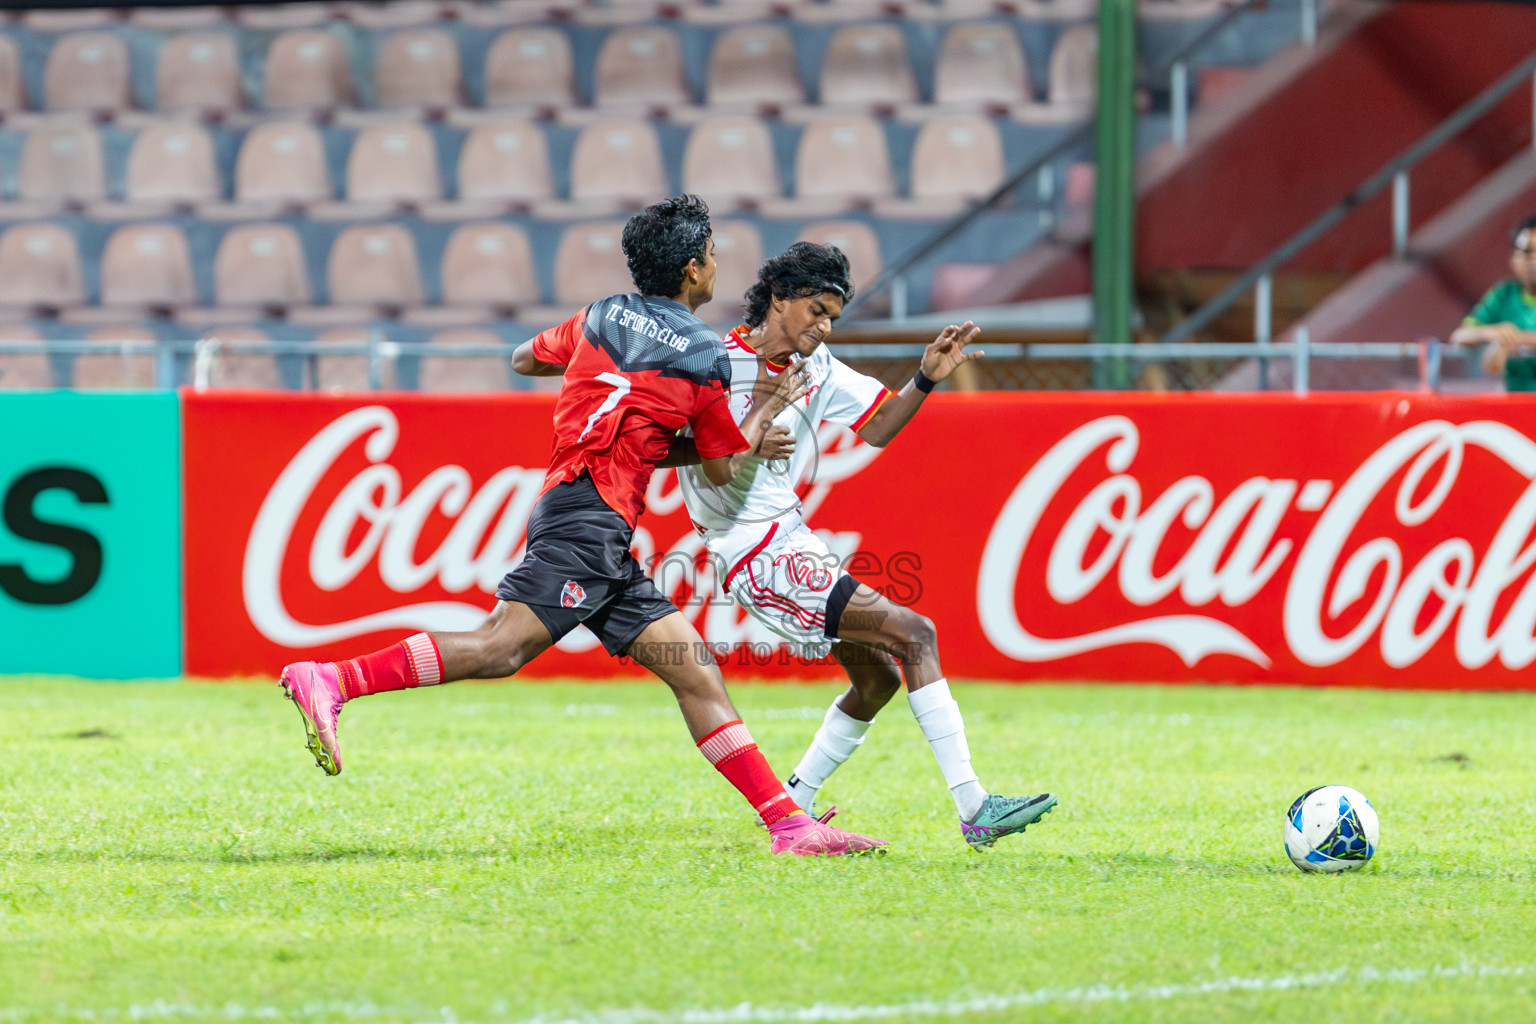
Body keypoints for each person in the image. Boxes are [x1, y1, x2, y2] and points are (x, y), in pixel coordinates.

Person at [279, 196, 886, 857]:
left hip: (583, 515)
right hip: (591, 520)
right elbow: (721, 470)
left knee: (694, 671)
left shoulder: (600, 315)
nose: (716, 266)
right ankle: (335, 679)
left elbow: (522, 360)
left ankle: (790, 826)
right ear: (691, 271)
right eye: (711, 254)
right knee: (499, 647)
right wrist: (766, 404)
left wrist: (606, 383)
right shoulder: (706, 357)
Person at [674, 242, 1058, 850]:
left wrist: (925, 379)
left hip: (788, 538)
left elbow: (877, 426)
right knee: (916, 633)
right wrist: (747, 440)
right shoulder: (713, 363)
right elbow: (683, 454)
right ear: (779, 300)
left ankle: (792, 806)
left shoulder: (816, 363)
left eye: (832, 317)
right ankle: (975, 807)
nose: (823, 327)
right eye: (816, 311)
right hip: (753, 550)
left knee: (877, 679)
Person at [1450, 213, 1536, 376]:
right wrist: (1490, 333)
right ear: (1514, 260)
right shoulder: (1505, 294)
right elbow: (1460, 336)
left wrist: (1517, 340)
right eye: (1527, 252)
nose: (1534, 259)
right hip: (1514, 400)